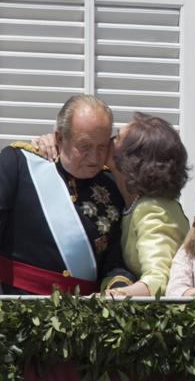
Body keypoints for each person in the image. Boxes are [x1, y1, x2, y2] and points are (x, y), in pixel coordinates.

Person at [0, 95, 131, 295]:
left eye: (102, 147)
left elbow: (114, 262)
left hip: (83, 315)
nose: (95, 157)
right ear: (60, 139)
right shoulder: (20, 164)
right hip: (18, 305)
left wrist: (119, 288)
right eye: (85, 146)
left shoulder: (112, 186)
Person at [107, 112, 190, 296]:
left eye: (117, 137)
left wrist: (108, 298)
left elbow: (158, 281)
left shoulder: (152, 209)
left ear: (131, 158)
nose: (108, 140)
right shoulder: (135, 203)